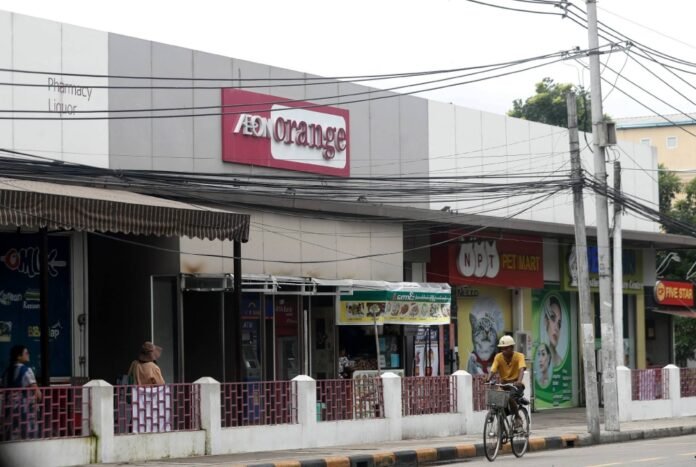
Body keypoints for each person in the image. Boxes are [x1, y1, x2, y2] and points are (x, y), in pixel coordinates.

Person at [2, 345, 42, 440]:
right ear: (19, 356)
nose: (28, 355)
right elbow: (37, 392)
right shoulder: (26, 371)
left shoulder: (6, 372)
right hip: (24, 408)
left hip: (8, 408)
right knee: (28, 435)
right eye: (26, 353)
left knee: (9, 434)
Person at [486, 335, 527, 428]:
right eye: (502, 349)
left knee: (510, 396)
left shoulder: (519, 356)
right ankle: (502, 430)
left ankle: (517, 418)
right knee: (496, 400)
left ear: (511, 348)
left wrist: (519, 381)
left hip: (516, 385)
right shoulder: (498, 357)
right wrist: (488, 378)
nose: (503, 351)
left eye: (505, 348)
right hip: (504, 384)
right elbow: (493, 369)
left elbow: (521, 369)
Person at [127, 342, 168, 433]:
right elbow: (161, 384)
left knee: (136, 417)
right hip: (150, 399)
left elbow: (129, 377)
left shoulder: (134, 364)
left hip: (136, 396)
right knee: (150, 420)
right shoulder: (153, 367)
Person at [543, 296, 564, 367]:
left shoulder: (560, 362)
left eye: (559, 323)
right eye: (553, 318)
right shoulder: (541, 357)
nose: (556, 328)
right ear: (546, 321)